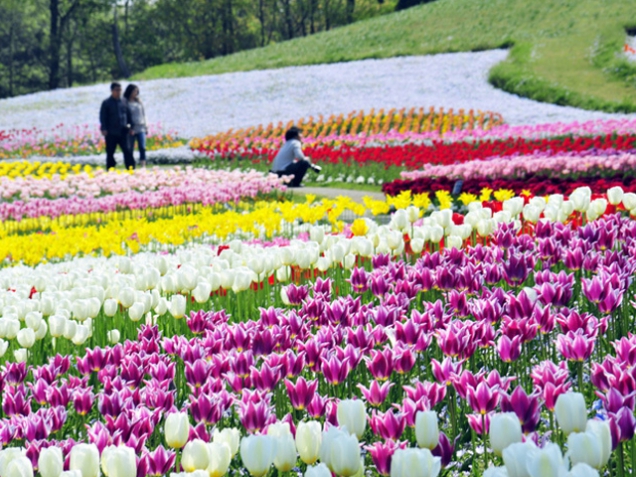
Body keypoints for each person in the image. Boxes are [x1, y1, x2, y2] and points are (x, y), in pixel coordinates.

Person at [100, 82, 135, 170]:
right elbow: (103, 117)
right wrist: (104, 128)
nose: (119, 92)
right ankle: (110, 169)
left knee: (128, 151)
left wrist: (131, 127)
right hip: (111, 132)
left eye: (120, 90)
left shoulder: (124, 101)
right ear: (112, 91)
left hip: (123, 131)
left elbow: (129, 115)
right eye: (117, 90)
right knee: (110, 152)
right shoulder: (106, 103)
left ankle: (130, 169)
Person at [123, 84, 148, 167]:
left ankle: (143, 165)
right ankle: (131, 165)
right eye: (134, 91)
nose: (136, 93)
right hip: (132, 128)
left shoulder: (139, 101)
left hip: (141, 127)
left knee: (142, 147)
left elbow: (144, 114)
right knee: (130, 148)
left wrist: (146, 125)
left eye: (137, 91)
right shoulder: (125, 102)